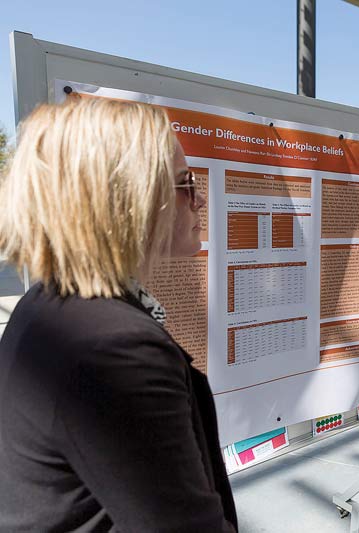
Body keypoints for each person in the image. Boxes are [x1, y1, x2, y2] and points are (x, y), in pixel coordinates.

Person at [0, 99, 237, 531]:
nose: (200, 199)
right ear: (130, 197)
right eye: (186, 183)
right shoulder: (115, 347)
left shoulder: (49, 307)